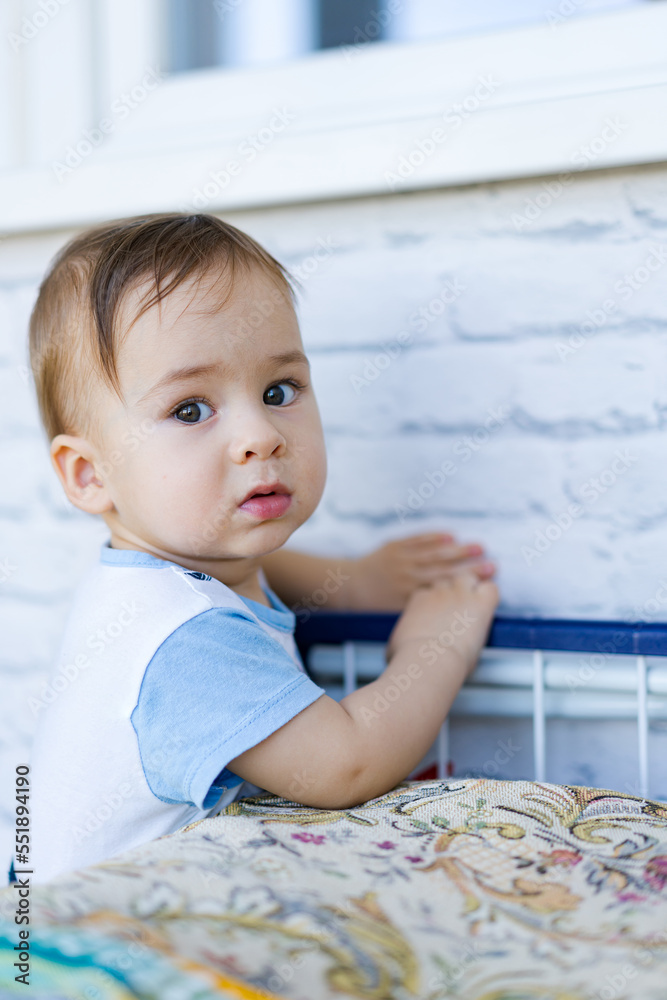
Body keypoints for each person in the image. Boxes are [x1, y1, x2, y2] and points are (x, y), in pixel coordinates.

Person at [25, 213, 499, 884]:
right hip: (96, 957)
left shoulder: (164, 573)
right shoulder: (183, 641)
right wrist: (434, 645)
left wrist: (353, 581)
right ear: (90, 474)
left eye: (279, 392)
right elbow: (345, 763)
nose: (261, 434)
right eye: (191, 409)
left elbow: (243, 566)